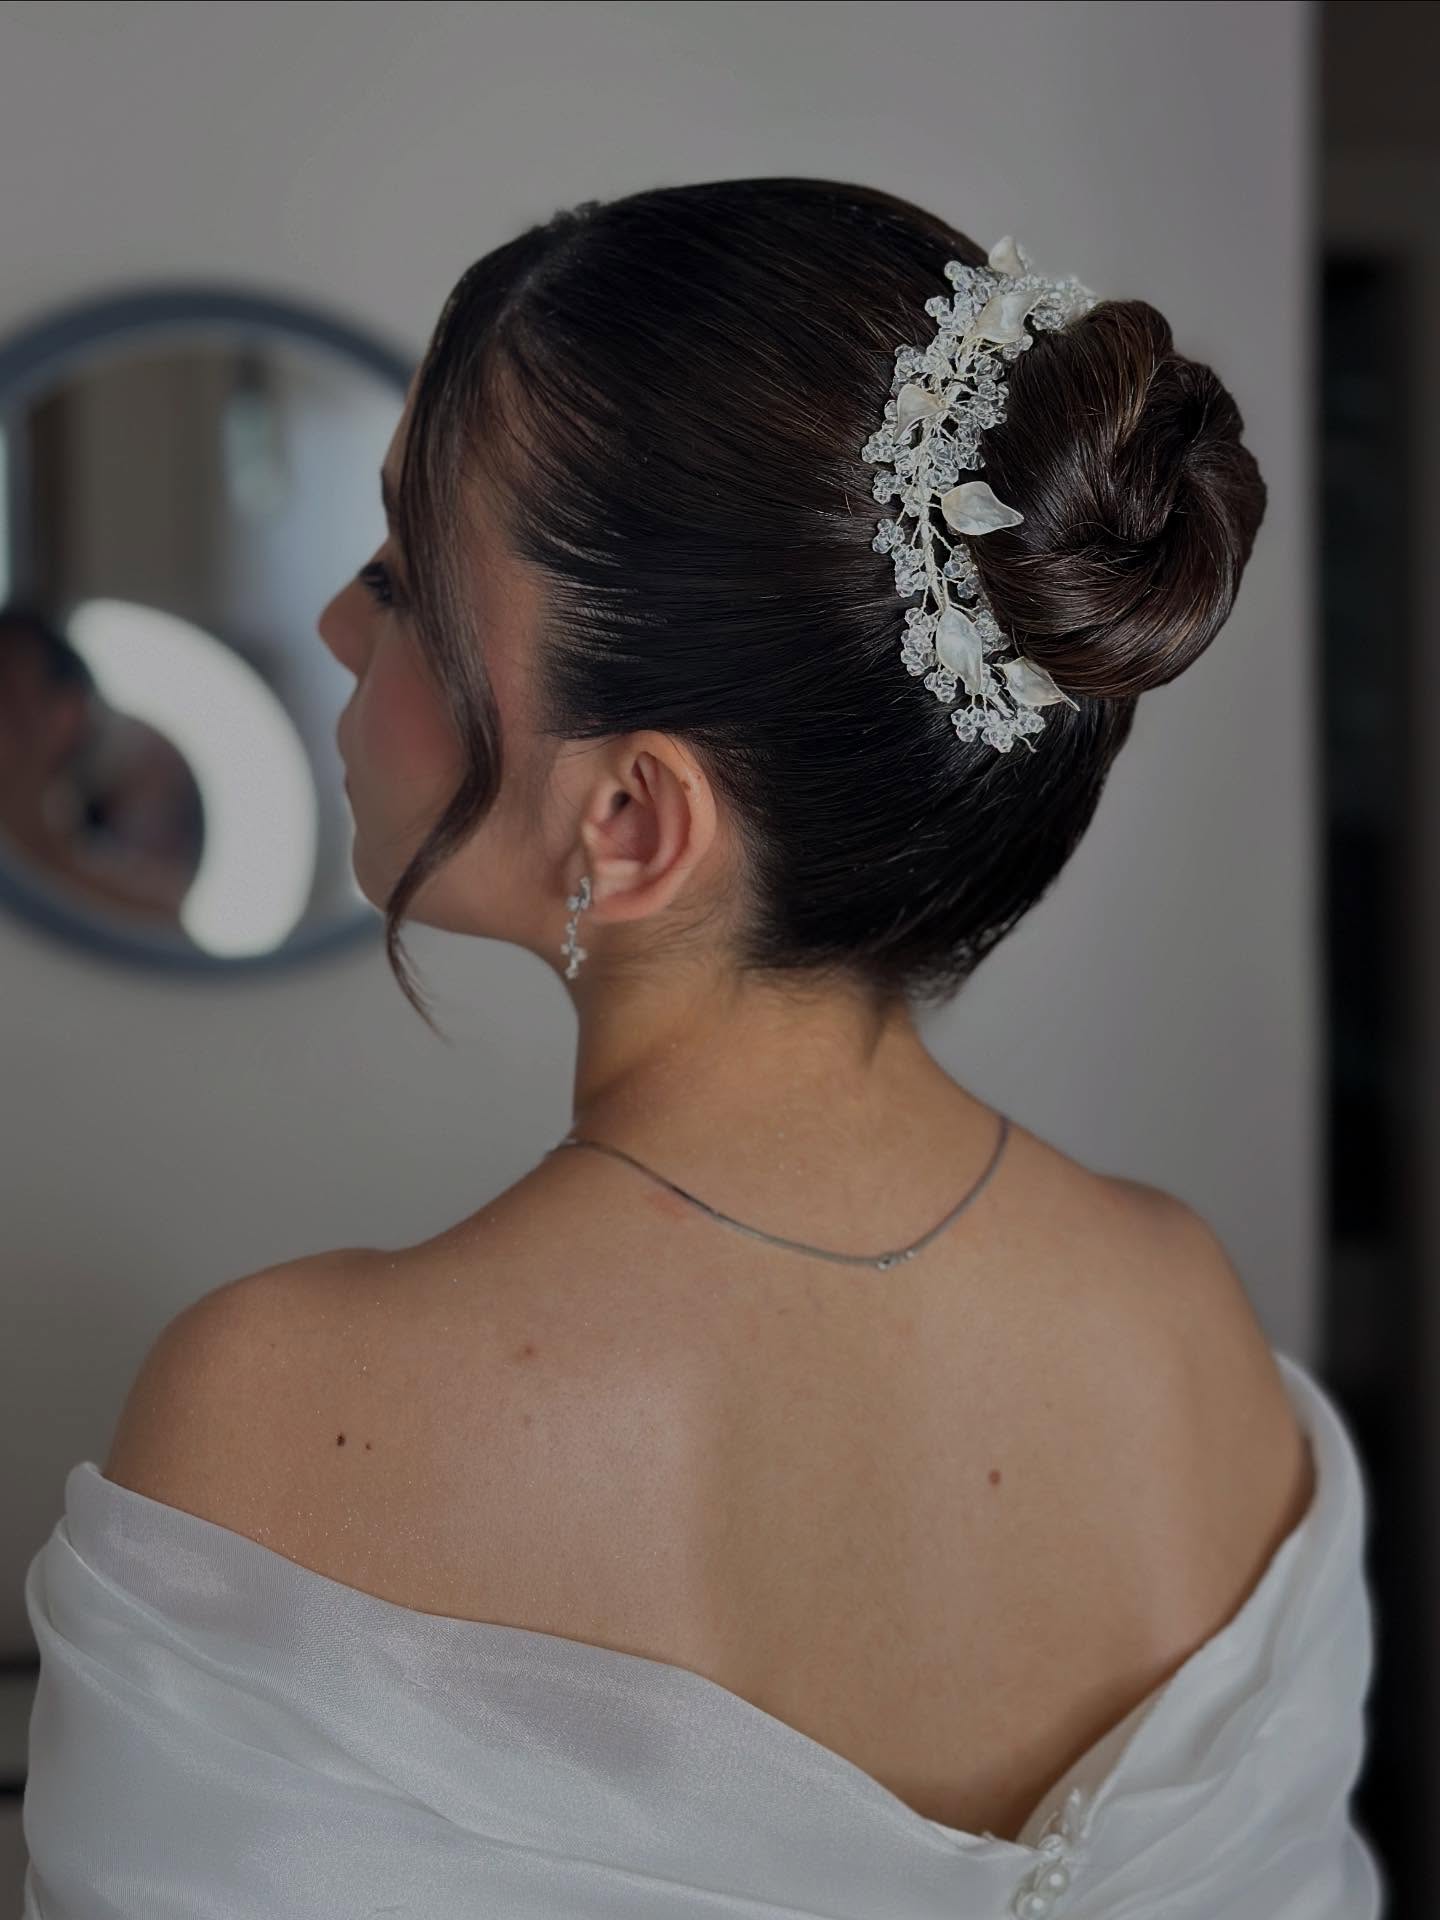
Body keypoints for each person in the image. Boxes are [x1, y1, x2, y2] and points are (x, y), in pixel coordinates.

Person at [22, 178, 1384, 1917]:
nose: (336, 628)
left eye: (401, 577)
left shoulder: (275, 1414)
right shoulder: (1188, 1320)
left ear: (636, 821)